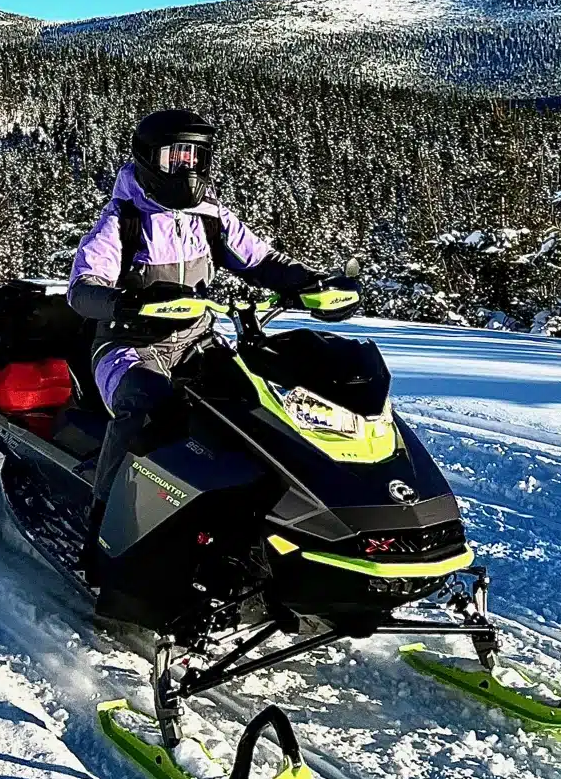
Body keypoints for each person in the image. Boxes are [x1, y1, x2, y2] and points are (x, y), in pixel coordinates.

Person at [67, 109, 355, 553]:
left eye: (195, 157)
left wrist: (308, 282)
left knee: (254, 405)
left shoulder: (212, 218)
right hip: (127, 345)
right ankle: (102, 526)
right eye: (174, 158)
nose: (186, 169)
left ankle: (270, 523)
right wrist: (124, 303)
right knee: (147, 408)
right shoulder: (122, 220)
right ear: (147, 159)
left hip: (198, 340)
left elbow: (261, 261)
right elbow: (83, 289)